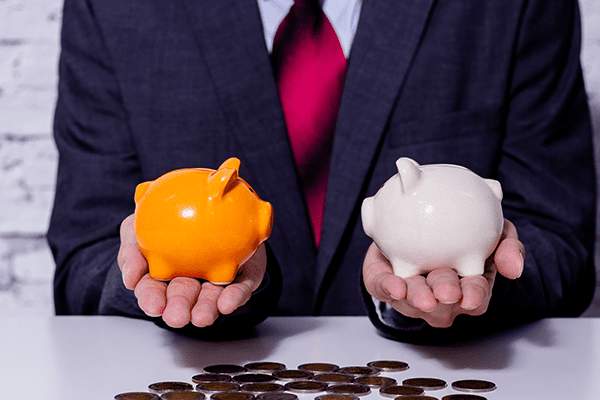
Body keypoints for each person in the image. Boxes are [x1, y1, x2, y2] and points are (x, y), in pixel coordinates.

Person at [48, 0, 597, 343]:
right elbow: (85, 256)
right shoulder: (113, 7)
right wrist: (157, 273)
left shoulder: (513, 7)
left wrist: (468, 283)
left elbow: (560, 242)